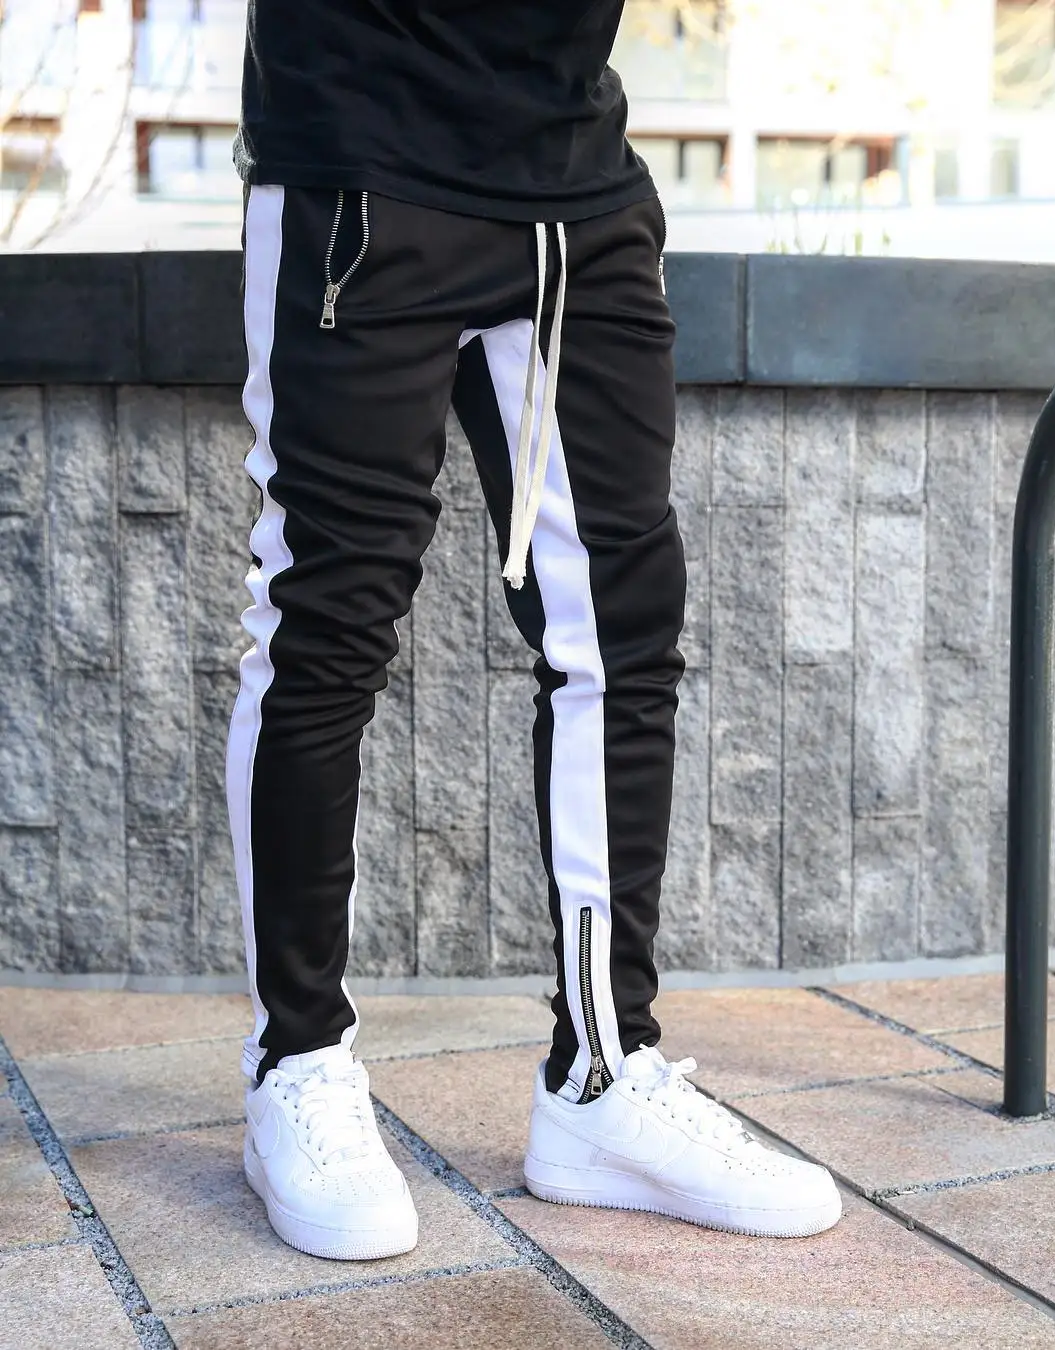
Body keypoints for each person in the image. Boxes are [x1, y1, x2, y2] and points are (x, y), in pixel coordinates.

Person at [228, 0, 842, 1261]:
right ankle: (298, 1061)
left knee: (624, 639)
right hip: (362, 161)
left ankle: (601, 1077)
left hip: (577, 186)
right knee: (325, 625)